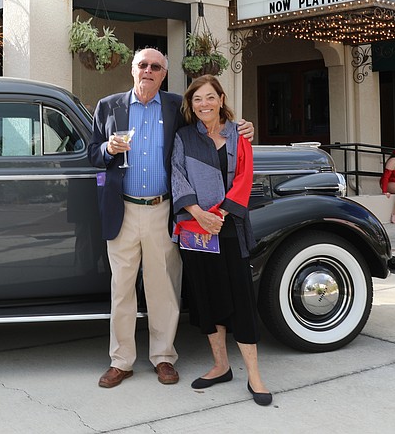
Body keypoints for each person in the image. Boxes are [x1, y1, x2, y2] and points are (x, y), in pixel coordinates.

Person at [88, 48, 253, 389]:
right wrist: (109, 149)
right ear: (133, 70)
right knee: (121, 289)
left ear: (164, 74)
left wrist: (240, 126)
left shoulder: (176, 106)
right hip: (123, 208)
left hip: (163, 209)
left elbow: (208, 123)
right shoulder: (108, 106)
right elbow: (92, 153)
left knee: (164, 287)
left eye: (156, 67)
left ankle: (163, 357)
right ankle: (121, 361)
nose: (148, 71)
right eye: (143, 65)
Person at [170, 75, 271, 406]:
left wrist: (221, 214)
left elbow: (245, 176)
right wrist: (199, 214)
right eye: (197, 99)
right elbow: (177, 175)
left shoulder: (238, 135)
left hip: (229, 226)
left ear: (221, 98)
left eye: (209, 97)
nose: (204, 104)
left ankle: (254, 375)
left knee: (241, 298)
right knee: (207, 297)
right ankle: (221, 365)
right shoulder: (185, 137)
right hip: (197, 229)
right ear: (191, 103)